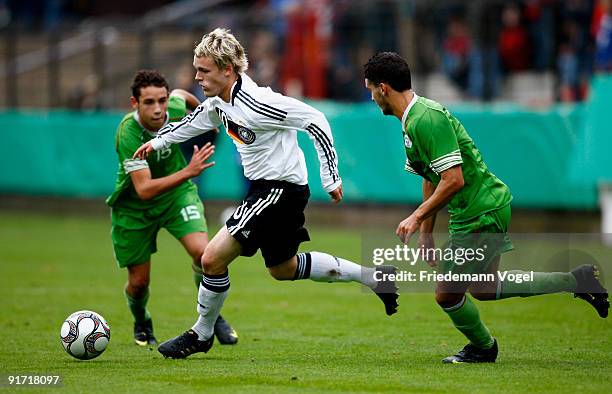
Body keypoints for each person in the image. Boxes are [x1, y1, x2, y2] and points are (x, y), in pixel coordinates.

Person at [133, 28, 399, 359]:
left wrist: (330, 176)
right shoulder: (219, 103)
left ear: (227, 69)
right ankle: (375, 278)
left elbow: (315, 120)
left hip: (279, 191)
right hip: (272, 190)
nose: (197, 77)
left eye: (204, 70)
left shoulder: (258, 102)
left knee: (211, 259)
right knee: (282, 269)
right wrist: (158, 141)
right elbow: (193, 122)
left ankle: (201, 334)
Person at [363, 52, 609, 363]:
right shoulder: (411, 120)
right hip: (480, 208)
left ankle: (483, 347)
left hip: (480, 210)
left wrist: (416, 216)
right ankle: (577, 280)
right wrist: (426, 233)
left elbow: (453, 180)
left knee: (447, 294)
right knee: (484, 287)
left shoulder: (426, 118)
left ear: (383, 88)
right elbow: (432, 177)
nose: (371, 97)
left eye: (370, 89)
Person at [106, 69, 238, 347]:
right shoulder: (128, 133)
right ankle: (141, 319)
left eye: (161, 101)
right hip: (134, 208)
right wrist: (189, 171)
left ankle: (211, 318)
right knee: (139, 283)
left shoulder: (172, 107)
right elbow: (144, 189)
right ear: (134, 104)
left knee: (204, 254)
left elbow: (182, 96)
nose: (158, 109)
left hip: (176, 196)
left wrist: (204, 115)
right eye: (149, 102)